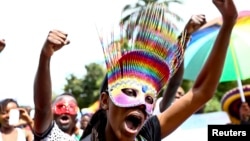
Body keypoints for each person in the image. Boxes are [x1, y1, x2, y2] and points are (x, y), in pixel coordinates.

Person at [80, 0, 238, 141]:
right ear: (105, 101)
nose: (141, 104)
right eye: (129, 93)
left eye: (149, 99)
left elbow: (201, 92)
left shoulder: (147, 133)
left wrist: (228, 22)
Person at [155, 14, 206, 114]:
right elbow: (174, 83)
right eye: (175, 93)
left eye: (181, 94)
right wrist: (184, 37)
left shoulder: (186, 117)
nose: (178, 95)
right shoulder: (161, 111)